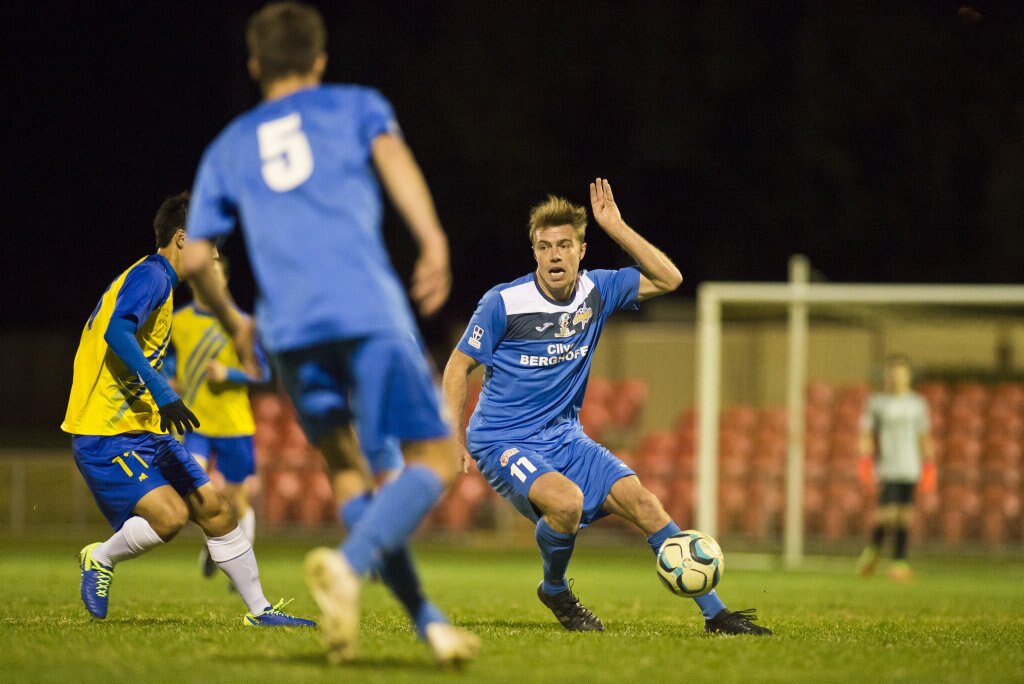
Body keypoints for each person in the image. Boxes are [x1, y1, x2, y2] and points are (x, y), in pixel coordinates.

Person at [181, 2, 478, 666]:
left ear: (256, 65)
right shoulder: (354, 105)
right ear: (319, 59)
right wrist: (432, 240)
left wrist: (233, 321)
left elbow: (196, 257)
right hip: (366, 310)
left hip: (288, 331)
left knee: (347, 469)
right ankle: (347, 565)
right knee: (434, 459)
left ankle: (428, 621)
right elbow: (394, 160)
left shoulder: (229, 145)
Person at [443, 179, 772, 636]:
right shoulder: (504, 302)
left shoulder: (597, 291)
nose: (553, 256)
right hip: (503, 439)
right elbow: (458, 367)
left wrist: (616, 226)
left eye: (563, 245)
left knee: (643, 501)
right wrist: (452, 435)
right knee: (567, 504)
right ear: (534, 252)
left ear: (581, 250)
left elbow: (669, 279)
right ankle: (555, 589)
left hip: (565, 437)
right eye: (543, 247)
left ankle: (717, 615)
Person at [62, 191, 314, 628]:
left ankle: (262, 611)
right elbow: (118, 334)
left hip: (141, 427)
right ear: (182, 238)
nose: (214, 252)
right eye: (208, 241)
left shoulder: (156, 281)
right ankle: (99, 559)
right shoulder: (154, 276)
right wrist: (162, 389)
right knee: (171, 516)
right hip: (105, 431)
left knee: (215, 508)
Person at [165, 255, 271, 581]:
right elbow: (167, 361)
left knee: (238, 503)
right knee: (195, 489)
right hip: (196, 425)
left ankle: (239, 561)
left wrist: (230, 373)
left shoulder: (240, 323)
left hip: (234, 425)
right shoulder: (178, 321)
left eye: (215, 274)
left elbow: (262, 372)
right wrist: (169, 378)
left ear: (223, 280)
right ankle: (217, 546)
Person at [857, 354, 935, 581]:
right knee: (887, 514)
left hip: (910, 467)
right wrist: (865, 460)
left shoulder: (917, 403)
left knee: (905, 516)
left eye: (900, 373)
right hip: (888, 466)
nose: (896, 377)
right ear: (887, 376)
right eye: (893, 373)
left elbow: (924, 435)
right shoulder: (877, 402)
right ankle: (873, 548)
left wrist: (929, 464)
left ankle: (899, 562)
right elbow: (866, 433)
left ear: (908, 376)